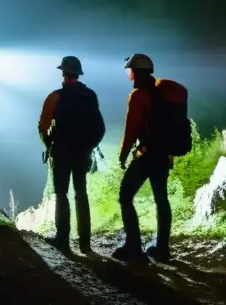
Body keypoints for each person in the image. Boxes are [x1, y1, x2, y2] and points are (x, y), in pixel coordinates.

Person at [112, 53, 188, 263]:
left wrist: (123, 155)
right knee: (161, 199)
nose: (129, 74)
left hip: (146, 154)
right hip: (165, 154)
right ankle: (162, 249)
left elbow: (131, 130)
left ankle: (133, 247)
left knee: (125, 195)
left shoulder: (139, 96)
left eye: (130, 70)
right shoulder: (168, 92)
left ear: (135, 72)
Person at [38, 55, 105, 255]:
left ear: (63, 73)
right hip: (83, 152)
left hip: (62, 152)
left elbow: (42, 125)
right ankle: (85, 243)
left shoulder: (55, 96)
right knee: (81, 194)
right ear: (78, 74)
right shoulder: (91, 95)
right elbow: (99, 127)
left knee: (61, 195)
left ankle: (63, 242)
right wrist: (89, 146)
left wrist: (48, 142)